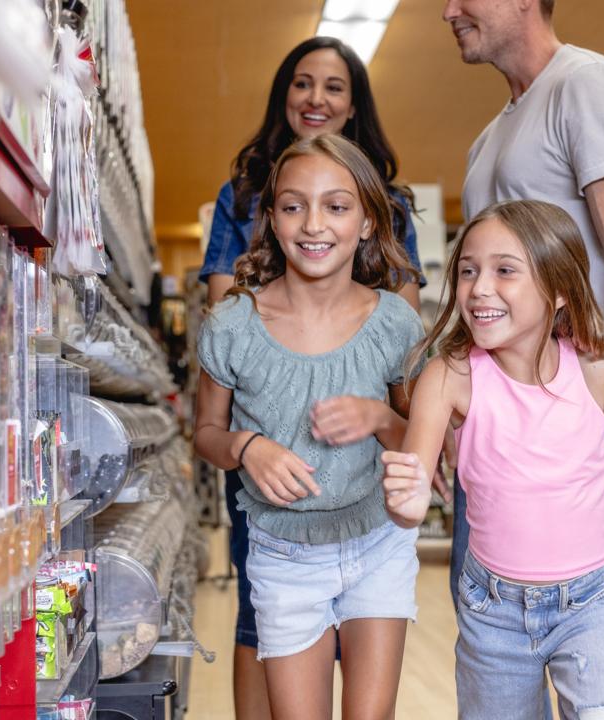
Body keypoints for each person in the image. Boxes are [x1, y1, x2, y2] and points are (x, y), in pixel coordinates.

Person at [441, 1, 604, 716]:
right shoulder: (490, 137)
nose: (448, 10)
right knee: (489, 613)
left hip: (574, 417)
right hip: (495, 431)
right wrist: (451, 417)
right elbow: (481, 298)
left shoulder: (587, 85)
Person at [382, 200, 604, 719]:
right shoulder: (450, 376)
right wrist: (405, 502)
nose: (479, 287)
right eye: (468, 271)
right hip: (493, 611)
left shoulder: (596, 372)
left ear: (557, 290)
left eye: (504, 270)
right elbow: (412, 493)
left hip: (593, 602)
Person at [197, 36, 424, 719]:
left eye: (335, 207)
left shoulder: (394, 323)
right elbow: (205, 432)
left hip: (379, 542)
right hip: (282, 553)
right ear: (268, 218)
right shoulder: (234, 323)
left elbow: (418, 437)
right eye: (293, 207)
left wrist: (381, 419)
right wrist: (245, 448)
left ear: (366, 224)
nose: (313, 224)